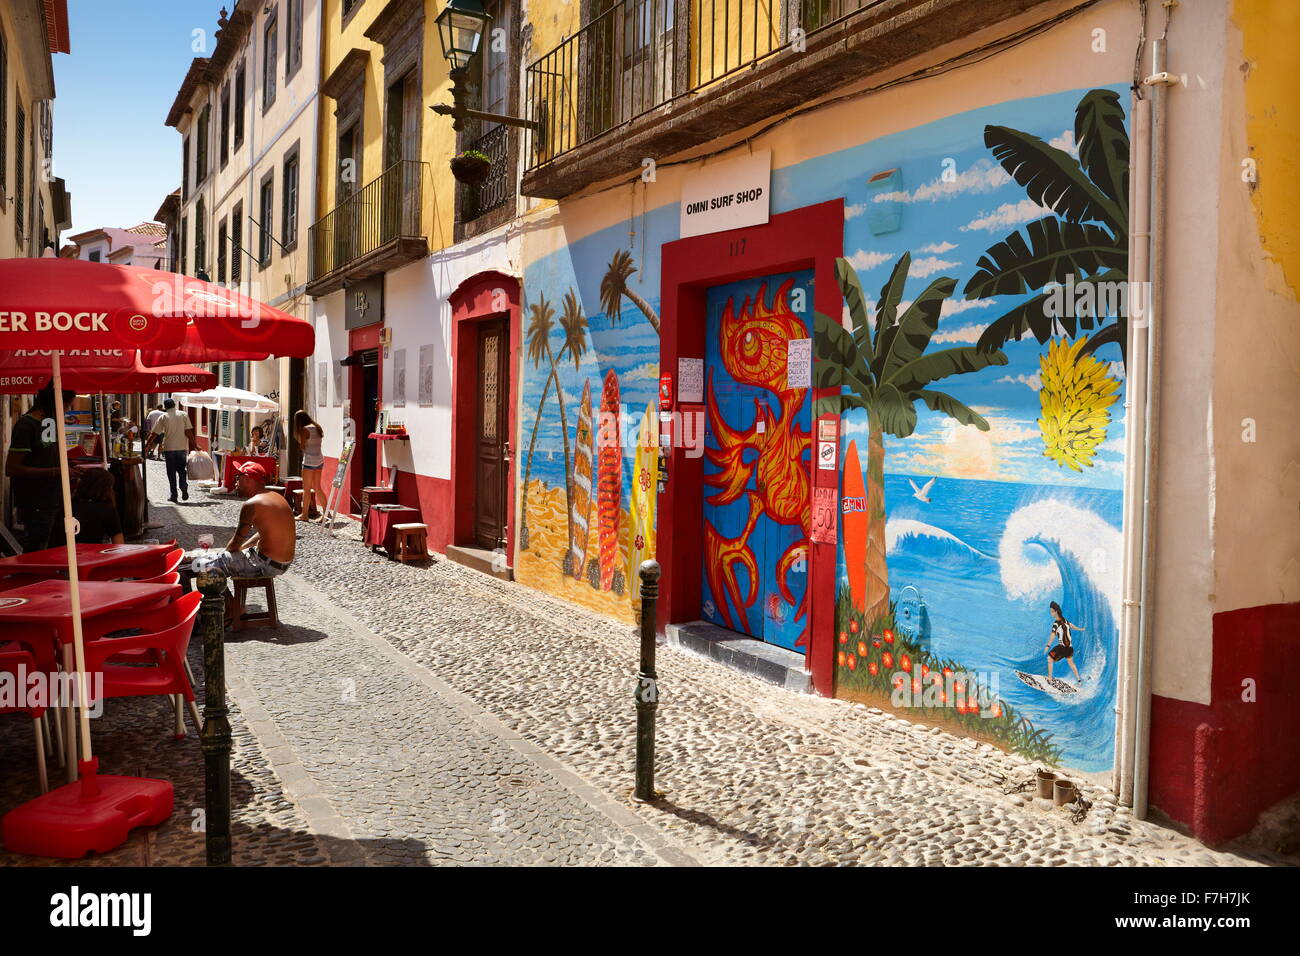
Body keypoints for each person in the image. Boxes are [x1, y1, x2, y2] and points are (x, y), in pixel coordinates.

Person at [190, 461, 294, 582]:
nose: (235, 483)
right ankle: (226, 598)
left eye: (238, 478)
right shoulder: (277, 497)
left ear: (247, 479)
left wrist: (223, 555)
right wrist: (241, 549)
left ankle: (217, 600)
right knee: (214, 558)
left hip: (264, 563)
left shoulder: (252, 504)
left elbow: (235, 543)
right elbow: (263, 533)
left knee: (197, 565)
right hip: (281, 564)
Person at [5, 382, 78, 553]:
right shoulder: (26, 425)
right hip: (36, 500)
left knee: (51, 548)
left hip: (53, 498)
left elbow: (46, 455)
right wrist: (55, 471)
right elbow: (12, 468)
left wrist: (67, 467)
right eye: (66, 405)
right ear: (54, 403)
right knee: (37, 549)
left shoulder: (49, 423)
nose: (67, 410)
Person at [146, 398, 196, 503]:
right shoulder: (183, 415)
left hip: (169, 449)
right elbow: (188, 431)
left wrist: (147, 445)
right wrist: (194, 444)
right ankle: (183, 486)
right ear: (174, 405)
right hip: (182, 448)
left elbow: (154, 433)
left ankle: (174, 495)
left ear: (165, 407)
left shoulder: (163, 417)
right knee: (182, 470)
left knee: (171, 473)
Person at [69, 467, 124, 545]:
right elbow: (119, 543)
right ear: (106, 489)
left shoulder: (69, 507)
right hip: (93, 554)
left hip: (65, 553)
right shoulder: (107, 510)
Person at [293, 410, 325, 521]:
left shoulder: (304, 430)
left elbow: (302, 446)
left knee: (306, 489)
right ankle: (326, 514)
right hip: (319, 460)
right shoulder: (317, 427)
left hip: (309, 462)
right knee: (318, 487)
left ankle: (304, 515)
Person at [1045, 600, 1085, 682]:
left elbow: (1053, 635)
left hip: (1061, 648)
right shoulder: (1064, 620)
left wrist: (1047, 646)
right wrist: (1080, 629)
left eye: (1052, 612)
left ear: (1056, 611)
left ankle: (1049, 678)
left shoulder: (1056, 623)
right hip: (1069, 649)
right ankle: (1079, 680)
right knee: (1071, 663)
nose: (1051, 613)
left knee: (1049, 658)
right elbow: (1071, 625)